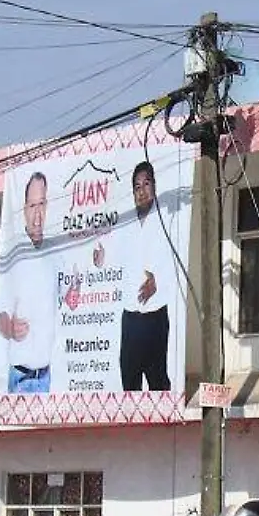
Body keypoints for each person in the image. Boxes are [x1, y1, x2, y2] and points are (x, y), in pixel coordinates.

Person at [0, 171, 56, 393]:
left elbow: (67, 300)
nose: (37, 215)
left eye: (41, 205)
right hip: (21, 378)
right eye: (32, 206)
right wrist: (9, 327)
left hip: (47, 378)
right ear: (24, 209)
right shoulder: (14, 253)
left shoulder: (54, 255)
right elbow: (1, 315)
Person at [117, 160, 172, 392]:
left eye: (146, 184)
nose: (142, 191)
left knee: (158, 382)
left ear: (154, 186)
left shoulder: (166, 218)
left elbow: (175, 260)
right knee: (129, 382)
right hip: (131, 316)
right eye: (137, 187)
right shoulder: (126, 224)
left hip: (155, 316)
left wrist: (158, 280)